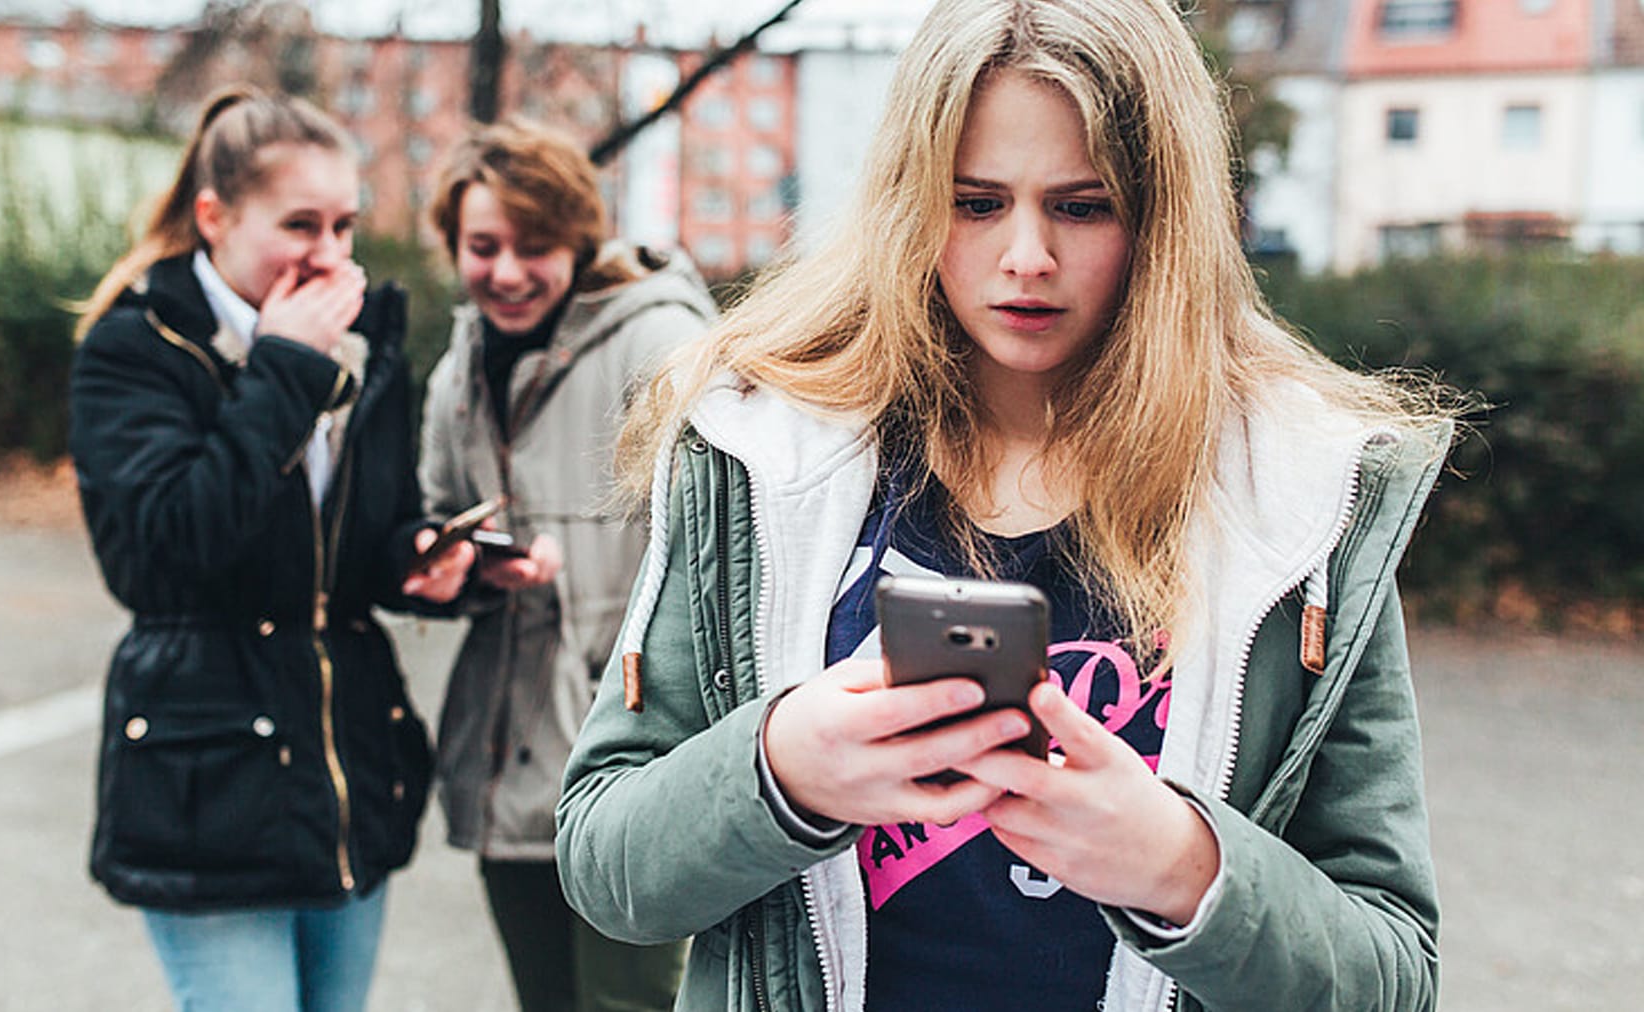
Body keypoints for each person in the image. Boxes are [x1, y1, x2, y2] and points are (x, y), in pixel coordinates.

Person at [555, 1, 1459, 1010]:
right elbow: (604, 866)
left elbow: (1392, 972)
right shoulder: (762, 449)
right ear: (909, 199)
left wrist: (1182, 866)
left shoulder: (1300, 491)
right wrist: (780, 769)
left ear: (1164, 217)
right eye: (976, 202)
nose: (1026, 255)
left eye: (1082, 205)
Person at [69, 88, 477, 1012]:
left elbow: (368, 532)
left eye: (344, 225)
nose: (331, 255)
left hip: (342, 763)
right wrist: (285, 370)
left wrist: (423, 561)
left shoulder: (364, 333)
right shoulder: (135, 346)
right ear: (214, 217)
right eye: (300, 224)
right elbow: (163, 553)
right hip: (204, 770)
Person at [416, 118, 716, 1012]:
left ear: (579, 241)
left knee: (633, 1004)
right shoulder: (460, 364)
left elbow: (728, 544)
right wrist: (460, 568)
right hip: (510, 749)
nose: (506, 272)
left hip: (632, 753)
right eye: (482, 246)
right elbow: (435, 516)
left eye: (534, 246)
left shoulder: (658, 342)